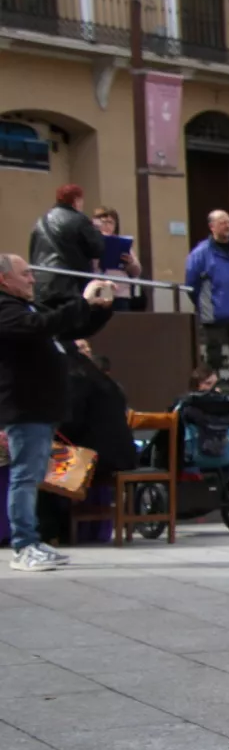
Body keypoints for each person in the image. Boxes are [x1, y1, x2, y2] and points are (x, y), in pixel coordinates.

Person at [0, 254, 114, 571]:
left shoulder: (25, 307)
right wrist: (82, 299)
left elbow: (66, 326)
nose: (32, 279)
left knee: (33, 476)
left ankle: (34, 540)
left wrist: (97, 308)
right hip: (24, 408)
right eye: (25, 274)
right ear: (4, 280)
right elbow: (43, 325)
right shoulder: (6, 310)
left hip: (41, 407)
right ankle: (23, 546)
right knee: (24, 477)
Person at [185, 210, 229, 379]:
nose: (227, 225)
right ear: (212, 227)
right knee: (213, 357)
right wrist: (204, 303)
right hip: (214, 313)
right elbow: (191, 284)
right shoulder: (200, 253)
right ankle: (213, 391)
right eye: (222, 222)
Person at [29, 184, 104, 308]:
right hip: (69, 285)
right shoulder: (79, 219)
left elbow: (33, 252)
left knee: (48, 323)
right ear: (76, 200)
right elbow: (98, 249)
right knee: (70, 323)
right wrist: (96, 230)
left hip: (41, 284)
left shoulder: (40, 222)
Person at [91, 207, 143, 311]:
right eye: (103, 222)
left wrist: (130, 262)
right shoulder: (91, 242)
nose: (107, 226)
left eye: (110, 222)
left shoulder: (121, 243)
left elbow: (137, 271)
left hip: (120, 294)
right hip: (98, 293)